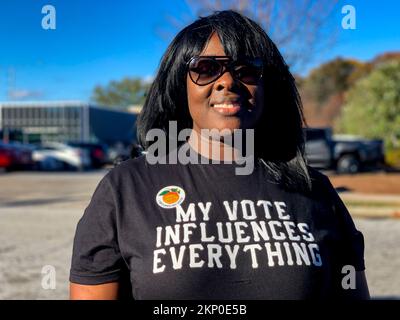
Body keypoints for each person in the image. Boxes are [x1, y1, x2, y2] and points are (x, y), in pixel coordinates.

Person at [69, 10, 370, 300]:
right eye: (206, 68)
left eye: (247, 70)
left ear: (268, 87)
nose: (227, 82)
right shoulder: (125, 188)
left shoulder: (316, 192)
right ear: (179, 83)